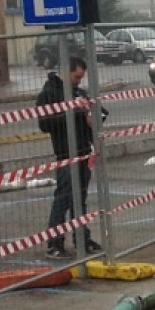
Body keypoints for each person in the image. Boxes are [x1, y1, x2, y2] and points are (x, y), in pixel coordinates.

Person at [37, 56, 104, 258]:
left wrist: (95, 118)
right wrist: (72, 112)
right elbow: (45, 124)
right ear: (66, 72)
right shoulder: (49, 94)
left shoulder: (78, 93)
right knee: (63, 198)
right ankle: (54, 243)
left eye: (81, 78)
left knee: (80, 199)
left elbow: (97, 114)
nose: (79, 82)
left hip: (83, 151)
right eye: (76, 77)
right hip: (66, 153)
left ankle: (82, 238)